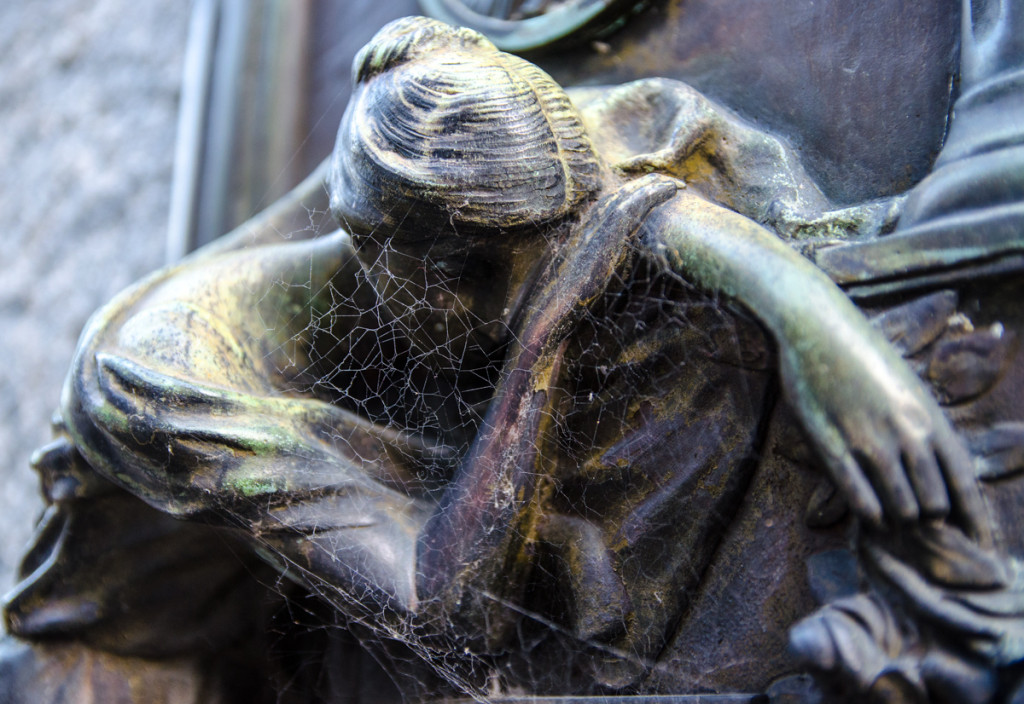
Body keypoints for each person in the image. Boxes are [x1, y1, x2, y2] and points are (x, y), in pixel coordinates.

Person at [6, 16, 999, 698]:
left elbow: (637, 196)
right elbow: (444, 608)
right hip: (157, 675)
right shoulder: (165, 373)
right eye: (489, 275)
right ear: (391, 254)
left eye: (542, 261)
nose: (511, 296)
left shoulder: (463, 142)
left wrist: (818, 330)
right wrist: (545, 335)